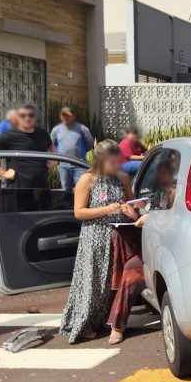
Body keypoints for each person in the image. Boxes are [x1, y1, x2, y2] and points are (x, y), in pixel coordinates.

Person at [59, 140, 135, 343]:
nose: (116, 166)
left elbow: (131, 202)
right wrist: (108, 209)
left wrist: (131, 210)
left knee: (112, 284)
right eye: (112, 162)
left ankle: (104, 321)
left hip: (119, 238)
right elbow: (79, 212)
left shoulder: (123, 178)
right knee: (93, 284)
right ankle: (84, 323)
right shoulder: (87, 179)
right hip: (95, 239)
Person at [106, 160, 175, 344]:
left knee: (130, 272)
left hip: (169, 253)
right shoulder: (159, 193)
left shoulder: (179, 193)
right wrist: (135, 216)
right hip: (150, 250)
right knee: (128, 262)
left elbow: (175, 222)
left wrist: (150, 217)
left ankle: (117, 326)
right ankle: (117, 326)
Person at [0, 103, 56, 200]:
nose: (27, 118)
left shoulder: (43, 134)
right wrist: (3, 173)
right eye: (23, 115)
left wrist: (53, 163)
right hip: (18, 191)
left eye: (31, 115)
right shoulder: (9, 135)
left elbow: (53, 150)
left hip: (41, 190)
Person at [51, 106, 94, 193]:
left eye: (68, 116)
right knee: (66, 189)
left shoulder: (82, 129)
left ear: (73, 116)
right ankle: (67, 205)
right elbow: (51, 145)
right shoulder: (56, 130)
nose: (65, 118)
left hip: (79, 164)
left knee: (81, 188)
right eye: (63, 115)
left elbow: (90, 143)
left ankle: (79, 206)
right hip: (63, 165)